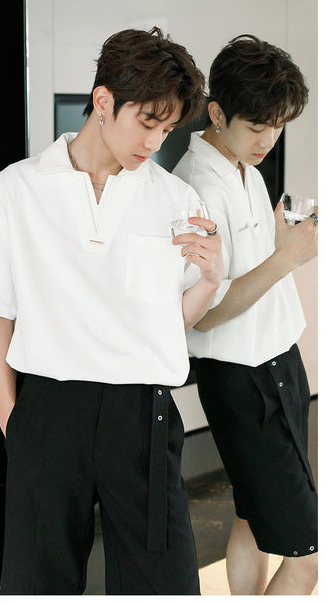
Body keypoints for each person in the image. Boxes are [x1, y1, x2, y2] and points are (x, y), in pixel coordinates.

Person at [0, 27, 223, 595]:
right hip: (49, 412)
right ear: (103, 100)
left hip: (142, 415)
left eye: (167, 129)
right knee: (37, 584)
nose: (154, 142)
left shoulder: (175, 199)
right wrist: (9, 413)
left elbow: (169, 321)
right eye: (148, 122)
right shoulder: (12, 192)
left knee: (164, 586)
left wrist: (212, 278)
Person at [173, 34, 318, 595]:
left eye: (278, 126)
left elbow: (249, 274)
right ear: (217, 113)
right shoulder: (193, 186)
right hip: (243, 379)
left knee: (251, 518)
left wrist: (279, 248)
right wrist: (286, 259)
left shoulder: (247, 169)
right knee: (307, 558)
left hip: (279, 362)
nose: (268, 140)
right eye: (257, 126)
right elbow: (205, 315)